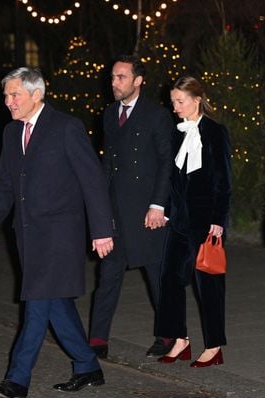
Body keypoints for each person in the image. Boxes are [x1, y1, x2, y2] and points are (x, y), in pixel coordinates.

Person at [0, 67, 115, 398]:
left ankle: (17, 381)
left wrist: (101, 230)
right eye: (6, 95)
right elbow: (5, 184)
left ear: (36, 94)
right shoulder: (11, 133)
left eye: (15, 95)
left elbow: (92, 182)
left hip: (60, 234)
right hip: (27, 234)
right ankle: (87, 366)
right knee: (55, 303)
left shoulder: (66, 127)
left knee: (37, 304)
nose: (8, 102)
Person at [89, 55, 175, 359]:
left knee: (155, 274)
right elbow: (108, 161)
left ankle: (168, 335)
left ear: (138, 81)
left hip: (147, 210)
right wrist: (97, 204)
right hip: (115, 209)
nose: (114, 83)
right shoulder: (109, 114)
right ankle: (97, 338)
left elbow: (167, 162)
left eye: (121, 77)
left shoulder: (157, 115)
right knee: (108, 274)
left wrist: (158, 205)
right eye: (113, 77)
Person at [155, 76, 232, 368]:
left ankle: (214, 346)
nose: (175, 107)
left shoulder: (215, 132)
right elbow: (170, 176)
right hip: (179, 219)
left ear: (196, 99)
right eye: (173, 101)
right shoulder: (175, 132)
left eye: (180, 101)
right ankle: (179, 339)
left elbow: (224, 181)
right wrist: (164, 208)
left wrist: (218, 220)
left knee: (208, 284)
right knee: (170, 279)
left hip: (206, 221)